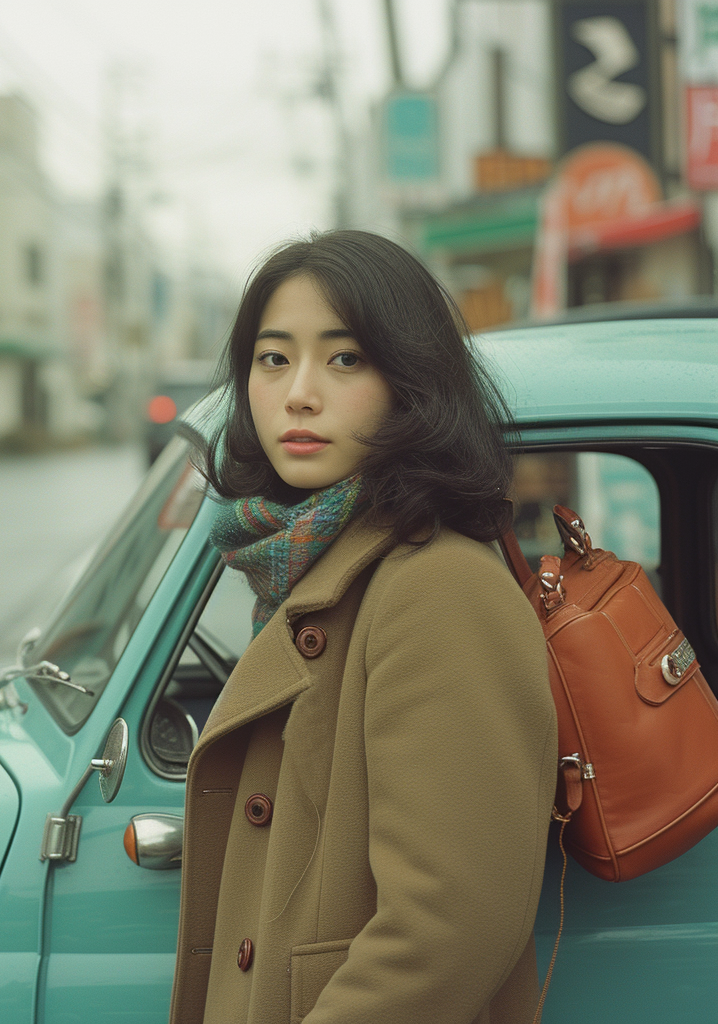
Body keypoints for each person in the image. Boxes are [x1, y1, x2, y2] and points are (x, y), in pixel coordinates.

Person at [171, 230, 557, 1024]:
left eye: (345, 359)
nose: (299, 393)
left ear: (411, 383)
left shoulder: (438, 587)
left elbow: (450, 924)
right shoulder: (302, 562)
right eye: (273, 359)